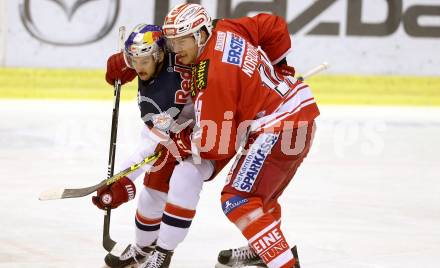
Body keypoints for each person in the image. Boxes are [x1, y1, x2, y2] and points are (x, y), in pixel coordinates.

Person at [155, 3, 320, 268]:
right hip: (300, 116)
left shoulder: (212, 76)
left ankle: (284, 264)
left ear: (199, 34)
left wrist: (181, 142)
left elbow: (216, 145)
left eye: (181, 41)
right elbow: (273, 25)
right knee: (261, 197)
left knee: (238, 199)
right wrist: (282, 69)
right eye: (172, 42)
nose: (176, 50)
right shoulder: (224, 26)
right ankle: (262, 250)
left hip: (278, 127)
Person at [92, 24, 214, 268]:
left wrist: (121, 179)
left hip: (207, 136)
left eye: (143, 61)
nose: (139, 67)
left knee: (183, 183)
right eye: (133, 60)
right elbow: (157, 39)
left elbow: (149, 146)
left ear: (158, 56)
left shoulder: (161, 98)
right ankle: (143, 249)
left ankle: (163, 253)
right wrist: (123, 64)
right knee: (151, 195)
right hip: (178, 129)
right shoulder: (167, 47)